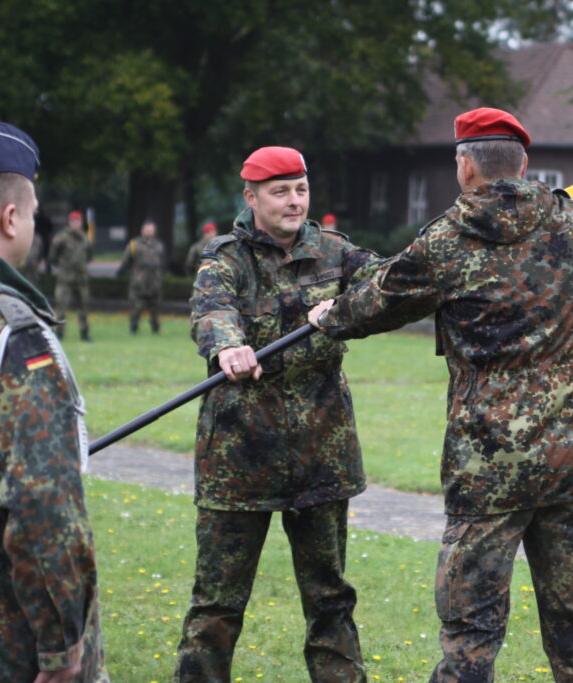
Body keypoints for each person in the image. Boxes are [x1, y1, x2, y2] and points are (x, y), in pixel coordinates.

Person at [309, 107, 573, 681]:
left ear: (464, 166)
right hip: (571, 458)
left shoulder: (448, 241)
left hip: (488, 464)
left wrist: (330, 316)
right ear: (523, 163)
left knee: (471, 637)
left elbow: (378, 301)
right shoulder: (571, 221)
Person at [174, 145, 382, 682]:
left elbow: (392, 286)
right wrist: (228, 347)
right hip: (240, 454)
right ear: (251, 197)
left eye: (301, 189)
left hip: (322, 453)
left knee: (330, 598)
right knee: (216, 604)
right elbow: (212, 310)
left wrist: (348, 309)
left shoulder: (335, 251)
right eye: (280, 191)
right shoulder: (224, 258)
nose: (295, 201)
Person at [0, 119, 107, 681]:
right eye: (34, 210)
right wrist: (63, 649)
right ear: (11, 217)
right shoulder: (8, 335)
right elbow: (44, 506)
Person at [49, 209, 93, 341]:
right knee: (61, 306)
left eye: (78, 221)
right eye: (74, 221)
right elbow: (52, 256)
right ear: (69, 222)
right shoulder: (61, 238)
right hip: (66, 278)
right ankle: (59, 333)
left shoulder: (85, 238)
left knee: (84, 306)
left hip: (81, 278)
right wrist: (63, 266)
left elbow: (89, 256)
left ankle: (85, 333)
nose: (76, 223)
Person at [118, 218, 165, 333]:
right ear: (142, 230)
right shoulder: (134, 244)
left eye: (151, 230)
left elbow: (162, 261)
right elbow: (126, 261)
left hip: (154, 282)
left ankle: (156, 329)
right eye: (147, 229)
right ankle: (133, 328)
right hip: (139, 282)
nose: (149, 232)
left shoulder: (158, 245)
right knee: (136, 307)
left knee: (155, 308)